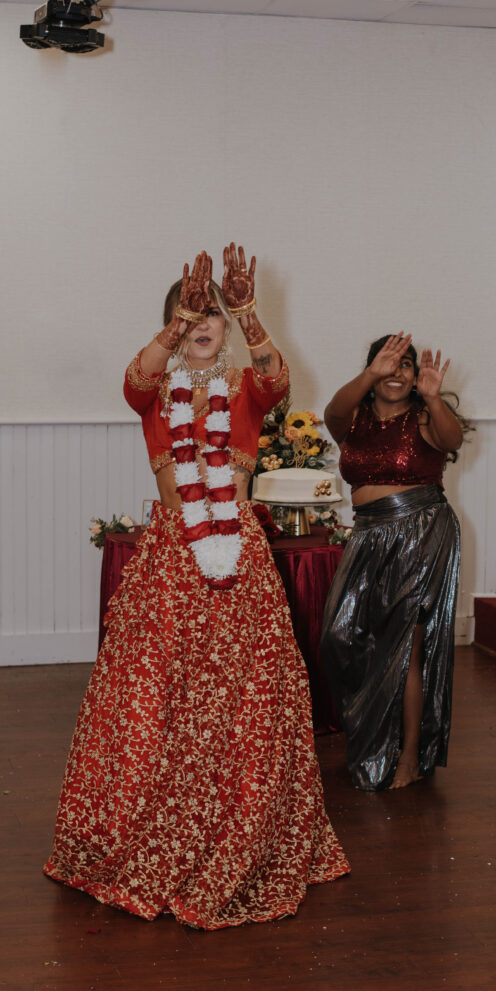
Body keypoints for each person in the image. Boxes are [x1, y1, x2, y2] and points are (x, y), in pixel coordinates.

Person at [43, 245, 349, 929]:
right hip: (172, 556)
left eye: (212, 313)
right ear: (175, 320)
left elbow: (279, 380)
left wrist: (246, 310)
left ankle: (239, 831)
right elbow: (132, 379)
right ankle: (144, 833)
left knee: (246, 694)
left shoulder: (245, 388)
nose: (205, 319)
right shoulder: (156, 393)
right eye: (193, 311)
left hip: (237, 552)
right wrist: (176, 325)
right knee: (155, 691)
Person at [320, 332, 466, 791]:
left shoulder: (425, 417)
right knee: (338, 637)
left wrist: (435, 398)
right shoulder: (354, 419)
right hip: (366, 534)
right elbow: (331, 413)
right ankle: (373, 735)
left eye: (406, 364)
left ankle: (408, 756)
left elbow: (452, 439)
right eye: (388, 363)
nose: (397, 371)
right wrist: (370, 374)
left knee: (406, 646)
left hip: (421, 530)